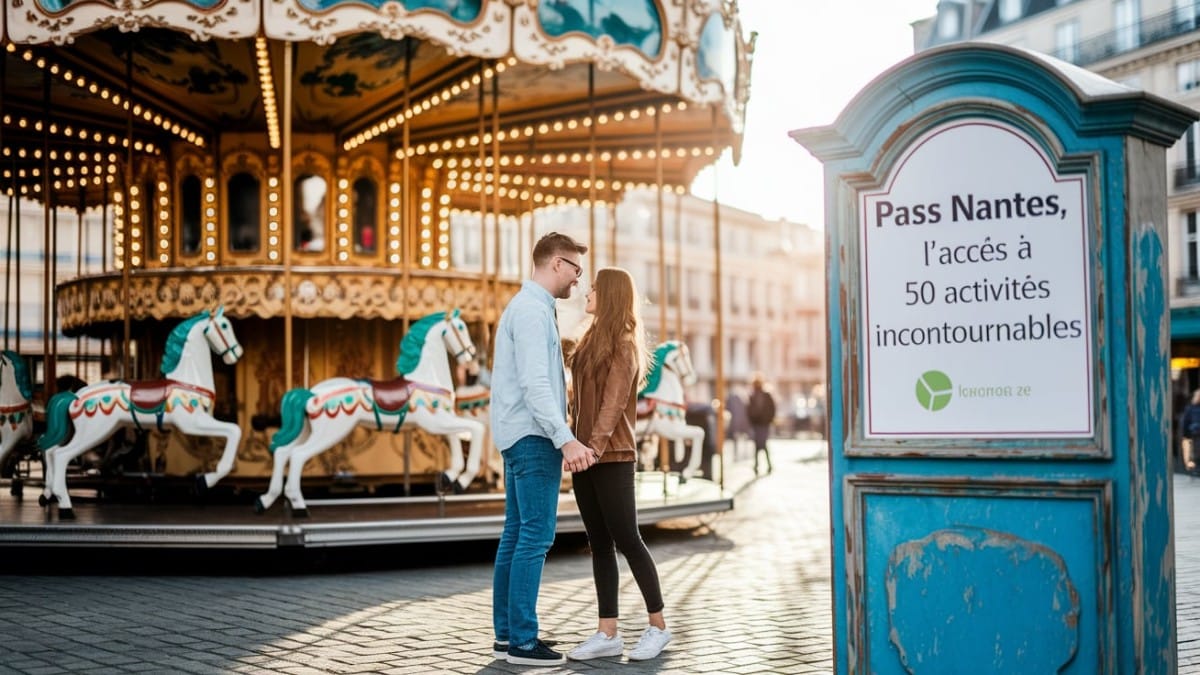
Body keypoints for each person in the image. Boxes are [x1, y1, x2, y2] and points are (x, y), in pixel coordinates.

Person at [491, 232, 597, 667]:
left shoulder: (525, 307)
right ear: (556, 264)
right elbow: (537, 385)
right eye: (575, 269)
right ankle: (522, 642)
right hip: (534, 436)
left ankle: (508, 633)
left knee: (515, 535)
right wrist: (564, 436)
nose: (578, 279)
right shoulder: (533, 313)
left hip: (515, 434)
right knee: (536, 537)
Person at [565, 267, 672, 663]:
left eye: (593, 288)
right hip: (585, 455)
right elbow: (579, 402)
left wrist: (590, 448)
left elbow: (611, 406)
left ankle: (658, 626)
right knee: (599, 545)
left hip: (613, 456)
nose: (587, 293)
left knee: (629, 538)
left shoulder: (625, 344)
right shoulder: (590, 340)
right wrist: (572, 445)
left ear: (609, 295)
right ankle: (607, 632)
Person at [747, 374, 776, 475]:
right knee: (759, 444)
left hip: (763, 424)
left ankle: (762, 465)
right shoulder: (752, 396)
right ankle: (760, 465)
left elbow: (772, 409)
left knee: (761, 444)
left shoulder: (766, 395)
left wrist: (769, 419)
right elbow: (749, 410)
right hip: (758, 424)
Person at [1180, 388, 1200, 474]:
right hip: (1195, 433)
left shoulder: (1190, 408)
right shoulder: (1191, 408)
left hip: (1194, 432)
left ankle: (1196, 467)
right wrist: (1186, 433)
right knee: (1196, 450)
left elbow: (1185, 421)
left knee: (1196, 450)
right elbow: (1185, 421)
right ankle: (1196, 467)